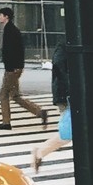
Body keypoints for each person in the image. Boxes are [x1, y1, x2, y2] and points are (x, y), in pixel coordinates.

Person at [0, 5, 45, 128]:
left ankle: (6, 122)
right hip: (15, 67)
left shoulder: (10, 31)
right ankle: (39, 112)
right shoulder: (11, 29)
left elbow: (11, 51)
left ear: (6, 17)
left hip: (12, 69)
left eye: (0, 15)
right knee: (15, 96)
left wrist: (11, 68)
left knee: (4, 94)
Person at [31, 43, 71, 174]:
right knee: (68, 132)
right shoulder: (64, 48)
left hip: (67, 94)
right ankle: (40, 151)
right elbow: (61, 71)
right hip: (67, 96)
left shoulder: (65, 47)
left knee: (71, 131)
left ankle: (40, 151)